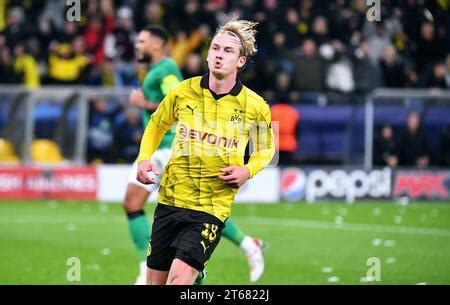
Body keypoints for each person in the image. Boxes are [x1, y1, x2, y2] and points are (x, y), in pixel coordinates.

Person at [124, 24, 266, 285]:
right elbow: (156, 125)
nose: (220, 54)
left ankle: (204, 265)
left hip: (210, 206)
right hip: (170, 201)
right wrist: (144, 158)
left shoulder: (256, 106)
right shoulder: (182, 91)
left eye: (228, 50)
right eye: (215, 48)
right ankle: (200, 273)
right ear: (208, 55)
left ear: (241, 61)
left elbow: (266, 150)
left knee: (178, 281)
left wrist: (247, 170)